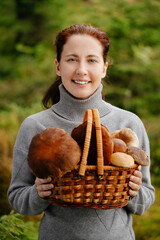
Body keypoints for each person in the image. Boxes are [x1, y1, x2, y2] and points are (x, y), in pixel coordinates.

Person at [8, 24, 155, 240]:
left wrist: (132, 192)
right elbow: (17, 198)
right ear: (58, 66)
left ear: (104, 68)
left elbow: (145, 199)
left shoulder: (128, 123)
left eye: (92, 60)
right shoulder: (35, 126)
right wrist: (38, 193)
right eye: (72, 59)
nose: (81, 70)